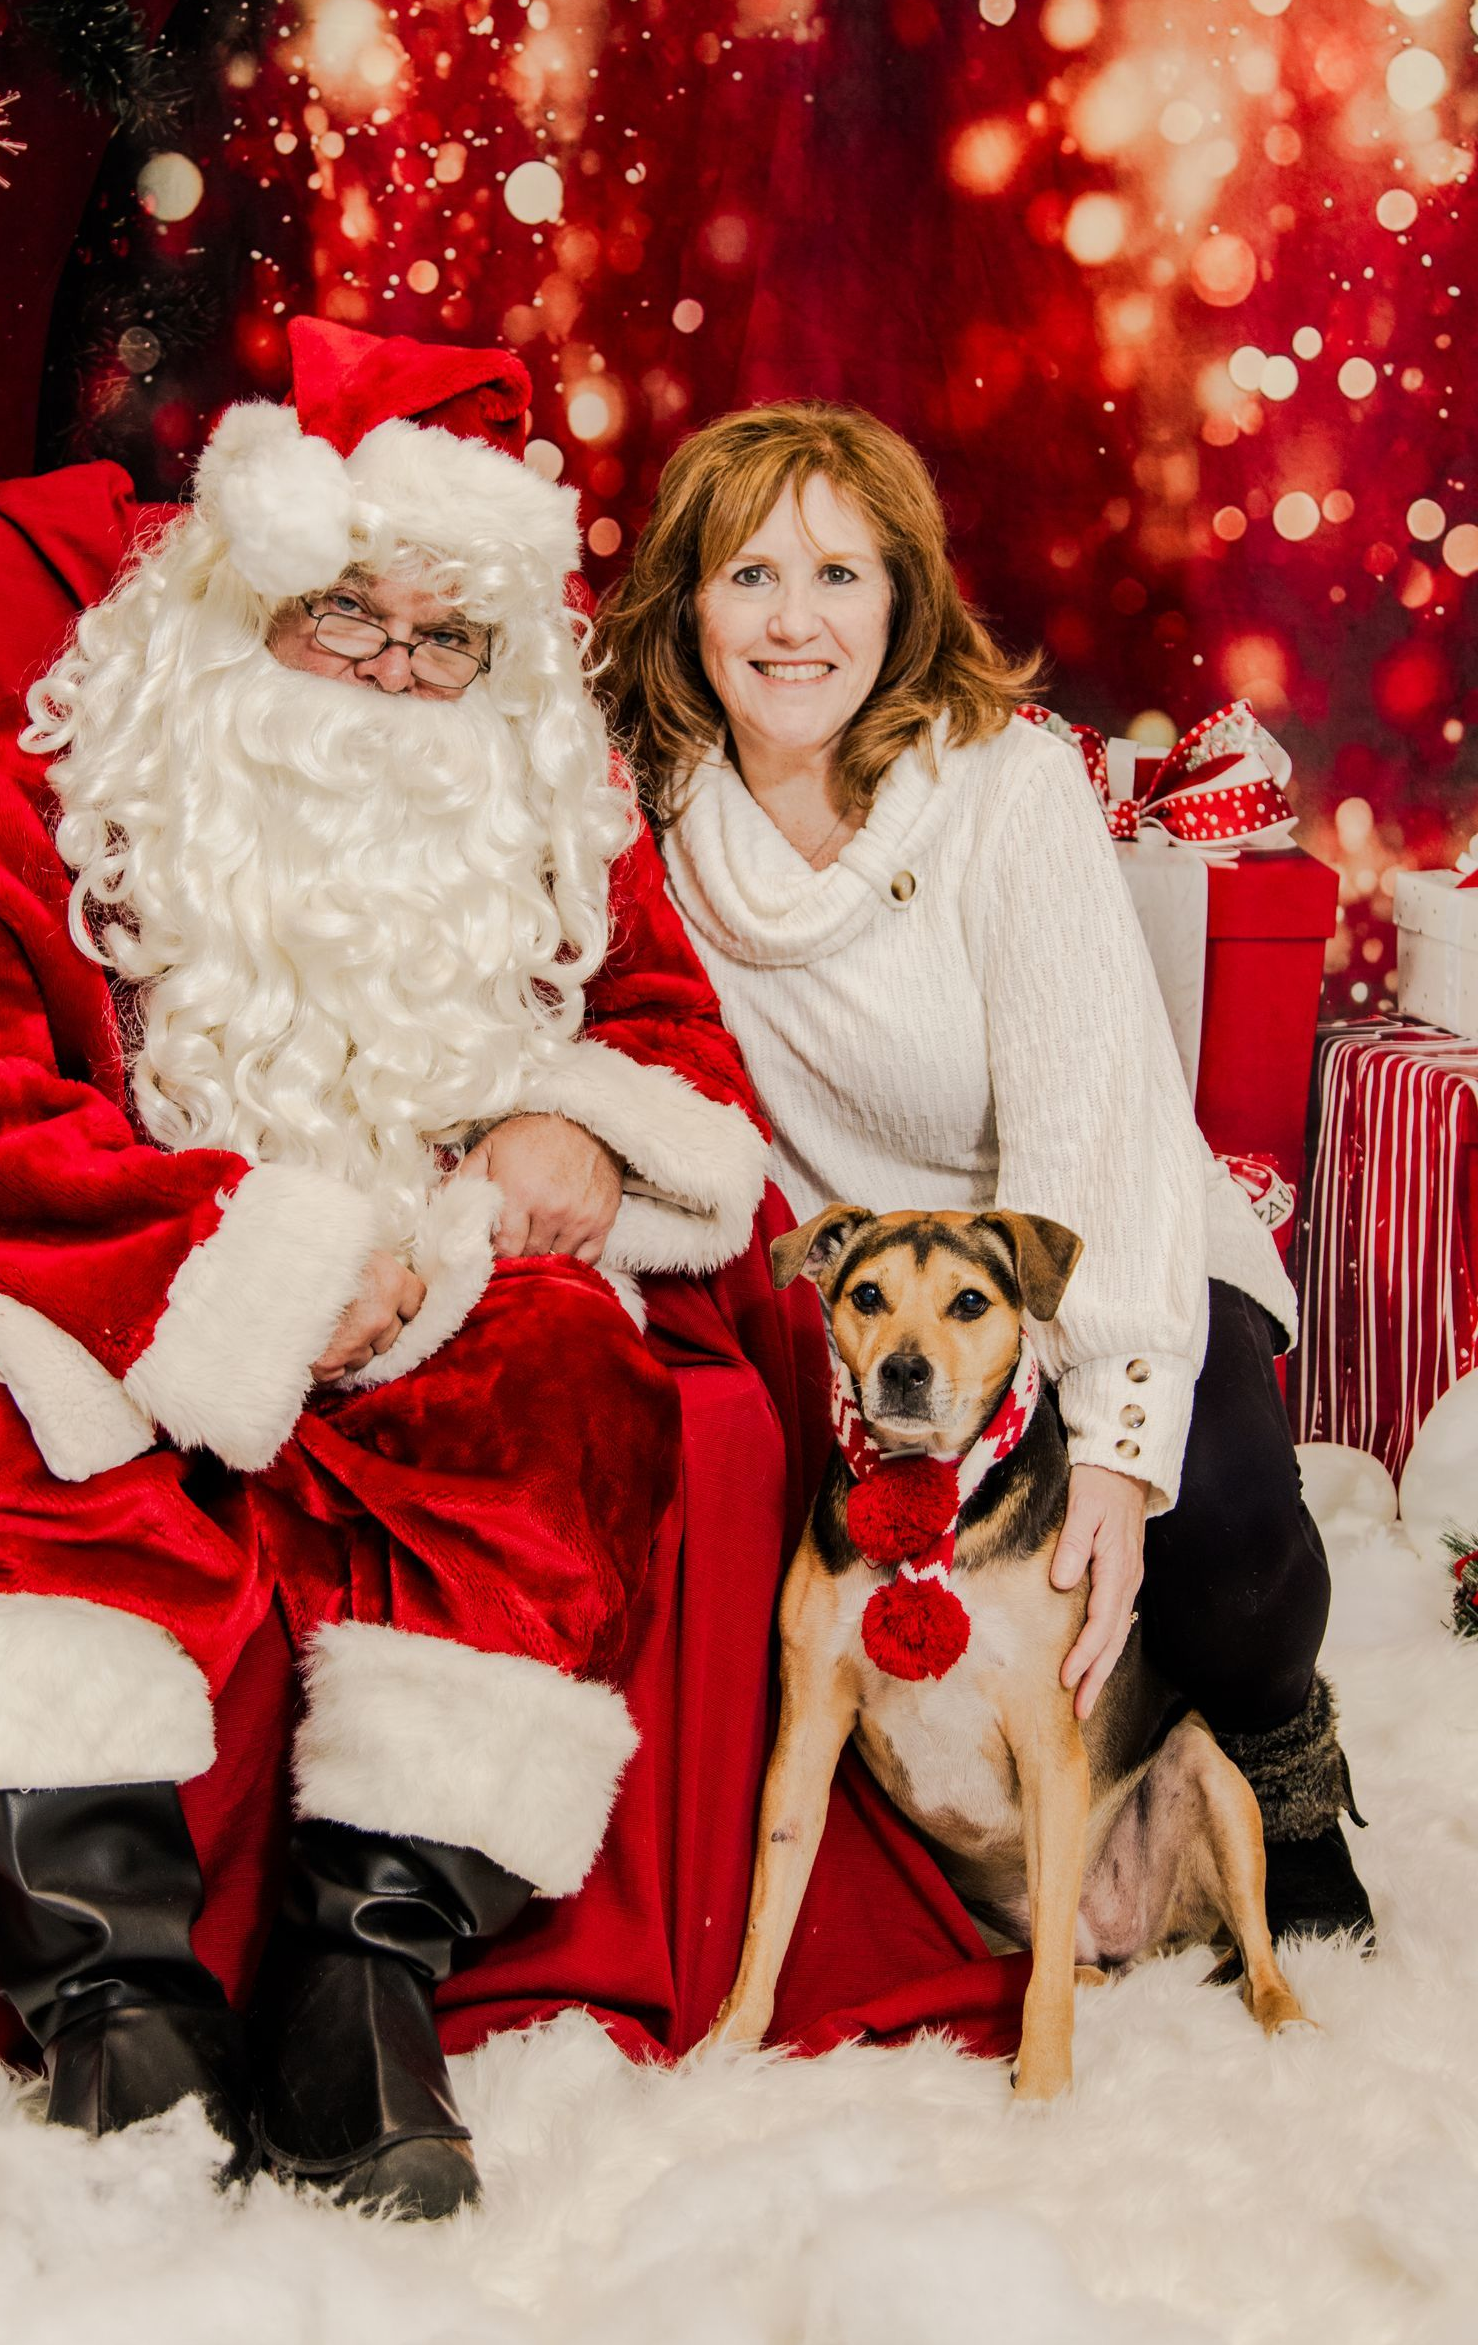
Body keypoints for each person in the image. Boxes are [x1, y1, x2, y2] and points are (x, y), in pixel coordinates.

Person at [0, 321, 772, 2219]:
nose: (396, 677)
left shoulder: (540, 815)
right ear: (245, 594)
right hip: (141, 1277)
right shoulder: (47, 792)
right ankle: (120, 2010)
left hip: (448, 1274)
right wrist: (235, 1261)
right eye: (346, 621)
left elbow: (666, 1032)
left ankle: (362, 1988)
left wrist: (576, 1125)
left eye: (445, 640)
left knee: (577, 1388)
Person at [594, 399, 1374, 1947]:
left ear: (905, 600)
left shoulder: (1002, 787)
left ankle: (1283, 1752)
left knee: (1211, 1527)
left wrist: (1119, 1436)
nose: (794, 623)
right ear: (688, 601)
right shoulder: (649, 810)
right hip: (881, 1299)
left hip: (1106, 1240)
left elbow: (1101, 1122)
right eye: (749, 577)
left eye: (840, 576)